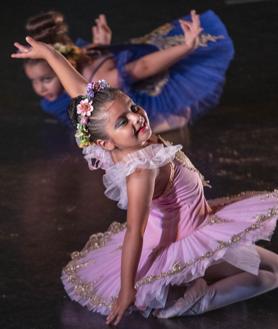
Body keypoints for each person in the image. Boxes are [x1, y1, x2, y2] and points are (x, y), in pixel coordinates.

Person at [11, 36, 278, 326]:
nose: (136, 119)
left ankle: (195, 286)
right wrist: (128, 290)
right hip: (185, 243)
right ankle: (195, 299)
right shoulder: (143, 171)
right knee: (268, 277)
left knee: (273, 269)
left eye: (133, 108)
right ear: (107, 143)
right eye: (122, 122)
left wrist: (50, 54)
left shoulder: (118, 138)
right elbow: (134, 232)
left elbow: (80, 94)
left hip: (199, 221)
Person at [22, 9, 234, 132]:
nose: (40, 88)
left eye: (47, 78)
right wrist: (101, 45)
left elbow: (144, 67)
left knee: (157, 129)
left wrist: (186, 47)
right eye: (34, 81)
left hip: (143, 112)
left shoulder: (99, 78)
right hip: (107, 102)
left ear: (62, 66)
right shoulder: (80, 54)